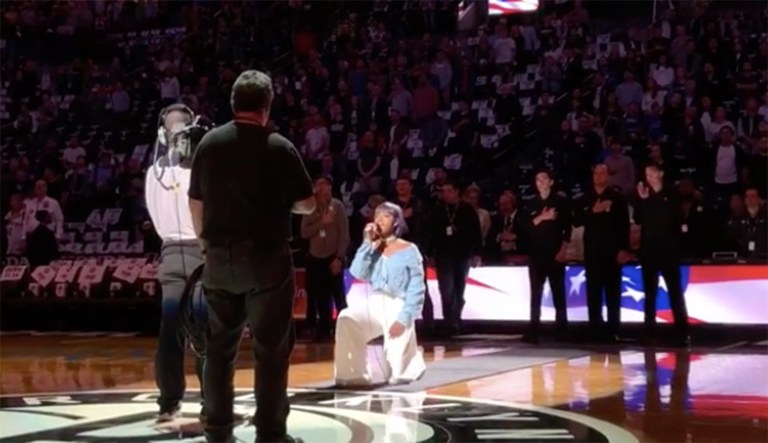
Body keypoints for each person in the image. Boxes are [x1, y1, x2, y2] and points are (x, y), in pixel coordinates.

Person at [188, 70, 315, 443]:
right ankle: (270, 432)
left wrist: (205, 246)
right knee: (271, 349)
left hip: (219, 258)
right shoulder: (279, 147)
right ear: (267, 106)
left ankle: (217, 429)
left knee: (218, 348)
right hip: (266, 261)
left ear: (233, 103)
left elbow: (195, 202)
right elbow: (307, 203)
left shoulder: (209, 144)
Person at [145, 104, 205, 422]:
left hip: (169, 251)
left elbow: (156, 219)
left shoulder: (153, 173)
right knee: (205, 329)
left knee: (170, 332)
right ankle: (212, 398)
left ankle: (169, 400)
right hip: (200, 252)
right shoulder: (202, 169)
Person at [334, 202, 427, 386]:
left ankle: (409, 364)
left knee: (399, 376)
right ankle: (354, 374)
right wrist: (367, 244)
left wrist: (406, 316)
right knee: (346, 318)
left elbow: (417, 288)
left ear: (396, 221)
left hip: (399, 302)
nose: (380, 220)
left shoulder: (409, 249)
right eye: (377, 215)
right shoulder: (372, 248)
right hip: (375, 301)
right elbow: (358, 273)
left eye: (386, 216)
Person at [573, 164, 631, 342]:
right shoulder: (585, 198)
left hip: (612, 253)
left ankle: (614, 330)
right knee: (593, 293)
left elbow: (624, 225)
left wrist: (623, 249)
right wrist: (593, 211)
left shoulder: (617, 198)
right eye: (596, 173)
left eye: (602, 173)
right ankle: (595, 330)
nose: (598, 176)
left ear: (608, 176)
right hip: (592, 253)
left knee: (613, 293)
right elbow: (576, 221)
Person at [635, 162, 689, 347]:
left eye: (653, 173)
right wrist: (643, 200)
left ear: (661, 173)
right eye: (647, 175)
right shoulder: (645, 195)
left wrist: (654, 199)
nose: (650, 178)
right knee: (649, 294)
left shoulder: (672, 193)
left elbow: (673, 215)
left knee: (674, 292)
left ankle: (681, 332)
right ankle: (649, 332)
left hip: (668, 252)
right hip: (649, 252)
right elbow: (638, 218)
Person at [427, 180, 483, 337]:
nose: (445, 194)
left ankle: (456, 321)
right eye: (443, 191)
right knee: (447, 289)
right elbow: (432, 233)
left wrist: (477, 253)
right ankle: (450, 322)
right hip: (443, 255)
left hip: (463, 254)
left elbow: (476, 232)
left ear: (457, 191)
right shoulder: (438, 210)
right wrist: (430, 253)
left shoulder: (467, 209)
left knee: (459, 289)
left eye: (449, 191)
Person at [300, 175, 350, 341]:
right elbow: (304, 232)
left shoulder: (337, 206)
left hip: (333, 257)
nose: (322, 188)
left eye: (325, 184)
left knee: (338, 295)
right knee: (320, 296)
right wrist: (322, 222)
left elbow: (344, 235)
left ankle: (347, 330)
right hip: (315, 257)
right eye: (318, 184)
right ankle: (323, 330)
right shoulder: (310, 208)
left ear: (330, 187)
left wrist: (339, 258)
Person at [523, 170, 571, 344]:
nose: (540, 182)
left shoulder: (560, 202)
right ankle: (534, 329)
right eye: (538, 179)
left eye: (544, 179)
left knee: (558, 292)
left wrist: (563, 250)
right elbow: (526, 226)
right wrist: (542, 217)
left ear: (551, 182)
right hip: (536, 254)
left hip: (555, 253)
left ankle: (562, 329)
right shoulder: (531, 203)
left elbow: (567, 228)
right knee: (536, 293)